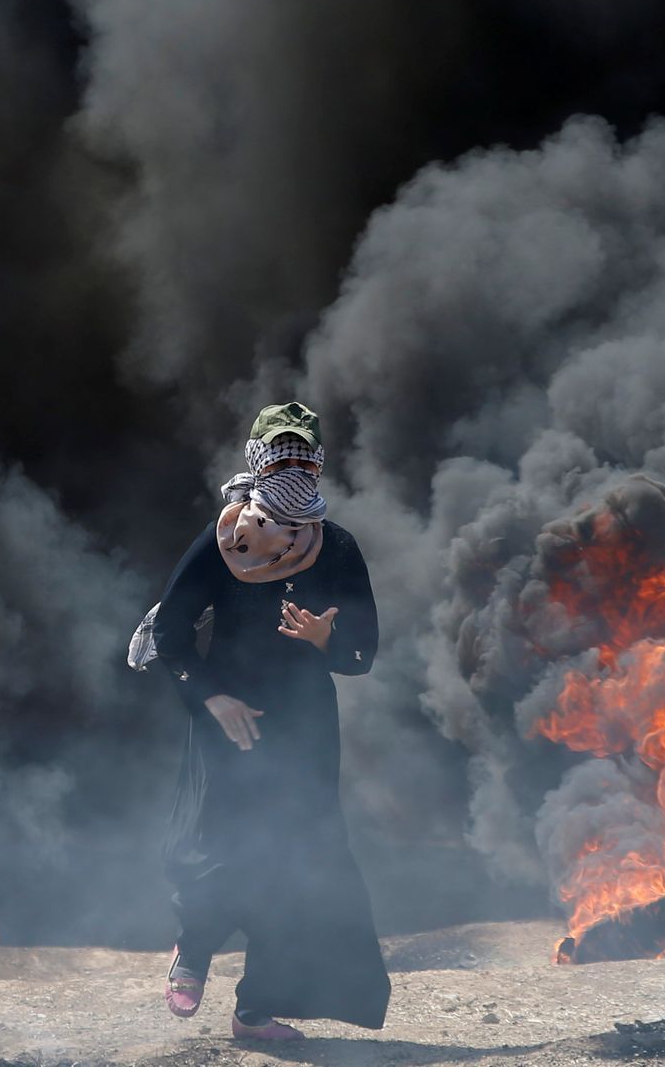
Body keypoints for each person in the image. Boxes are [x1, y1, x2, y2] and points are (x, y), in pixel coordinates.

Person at [146, 401, 390, 1042]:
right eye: (278, 456)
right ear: (256, 461)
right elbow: (170, 635)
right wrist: (210, 699)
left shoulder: (336, 548)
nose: (291, 468)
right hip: (226, 721)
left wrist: (321, 642)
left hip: (304, 729)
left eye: (302, 457)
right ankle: (192, 954)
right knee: (221, 850)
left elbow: (362, 655)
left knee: (297, 862)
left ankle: (255, 1011)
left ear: (318, 464)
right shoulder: (225, 539)